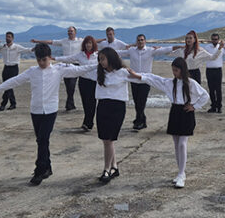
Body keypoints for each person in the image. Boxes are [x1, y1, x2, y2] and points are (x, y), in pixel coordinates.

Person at [0, 44, 97, 185]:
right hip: (36, 111)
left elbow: (80, 69)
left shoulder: (59, 70)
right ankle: (48, 168)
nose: (41, 63)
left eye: (44, 60)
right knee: (42, 140)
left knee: (42, 139)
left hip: (50, 110)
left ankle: (40, 170)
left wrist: (98, 65)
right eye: (39, 60)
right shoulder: (32, 71)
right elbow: (14, 81)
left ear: (50, 58)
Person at [128, 57, 210, 188]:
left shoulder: (191, 83)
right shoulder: (170, 83)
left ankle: (182, 174)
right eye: (173, 70)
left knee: (182, 144)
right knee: (177, 145)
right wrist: (137, 76)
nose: (174, 73)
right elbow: (153, 78)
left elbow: (205, 95)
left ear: (182, 70)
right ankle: (180, 172)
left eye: (176, 70)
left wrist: (194, 106)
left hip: (186, 113)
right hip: (175, 112)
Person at [93, 47, 135, 184]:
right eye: (99, 59)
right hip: (102, 106)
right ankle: (114, 167)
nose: (101, 62)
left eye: (103, 59)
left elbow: (141, 79)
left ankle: (106, 169)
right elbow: (80, 70)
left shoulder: (123, 72)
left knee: (109, 139)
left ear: (110, 58)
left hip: (117, 107)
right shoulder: (98, 72)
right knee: (106, 140)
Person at [115, 34, 173, 130]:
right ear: (136, 41)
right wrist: (104, 52)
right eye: (138, 40)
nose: (140, 41)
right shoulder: (132, 50)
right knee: (137, 102)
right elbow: (120, 53)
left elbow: (164, 50)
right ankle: (142, 121)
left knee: (141, 102)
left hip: (146, 80)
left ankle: (138, 122)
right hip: (134, 80)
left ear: (145, 41)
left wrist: (178, 47)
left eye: (142, 40)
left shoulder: (151, 50)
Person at [52, 36, 99, 131]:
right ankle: (87, 121)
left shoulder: (97, 55)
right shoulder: (80, 55)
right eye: (87, 43)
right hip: (83, 81)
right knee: (85, 102)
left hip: (93, 82)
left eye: (90, 43)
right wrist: (54, 58)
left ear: (93, 44)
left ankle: (88, 123)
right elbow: (68, 58)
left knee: (92, 103)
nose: (88, 45)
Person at [32, 26, 82, 111]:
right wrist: (38, 41)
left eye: (71, 31)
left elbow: (92, 41)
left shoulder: (80, 41)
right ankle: (70, 104)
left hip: (75, 64)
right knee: (68, 86)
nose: (70, 32)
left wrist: (104, 40)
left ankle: (69, 104)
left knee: (72, 85)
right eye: (69, 31)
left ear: (75, 32)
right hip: (65, 65)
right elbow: (51, 42)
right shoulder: (64, 41)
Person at [0, 32, 34, 111]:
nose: (7, 38)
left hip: (14, 68)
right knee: (6, 85)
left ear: (12, 38)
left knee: (9, 85)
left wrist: (35, 48)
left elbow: (27, 50)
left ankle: (3, 104)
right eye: (7, 37)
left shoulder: (17, 47)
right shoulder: (3, 47)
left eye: (9, 37)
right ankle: (13, 103)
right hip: (6, 68)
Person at [202, 33, 225, 113]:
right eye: (213, 39)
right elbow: (207, 56)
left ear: (218, 40)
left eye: (216, 39)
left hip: (218, 70)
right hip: (209, 70)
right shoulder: (207, 47)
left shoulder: (222, 47)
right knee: (211, 89)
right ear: (211, 40)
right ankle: (213, 106)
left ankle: (219, 107)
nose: (214, 41)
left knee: (218, 90)